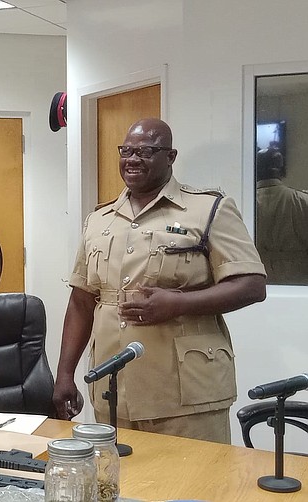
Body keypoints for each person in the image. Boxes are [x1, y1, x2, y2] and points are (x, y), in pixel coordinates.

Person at [53, 118, 267, 443]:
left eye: (146, 151)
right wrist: (65, 374)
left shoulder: (209, 209)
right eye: (126, 150)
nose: (132, 159)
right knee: (121, 485)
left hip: (186, 393)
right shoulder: (99, 219)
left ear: (171, 156)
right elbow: (82, 300)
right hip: (113, 387)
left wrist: (179, 303)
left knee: (193, 488)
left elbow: (252, 284)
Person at [255, 147, 308, 284]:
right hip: (298, 279)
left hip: (257, 275)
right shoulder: (302, 200)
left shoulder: (243, 203)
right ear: (282, 171)